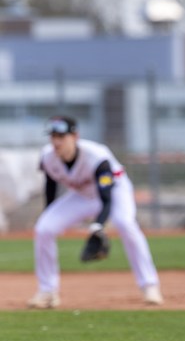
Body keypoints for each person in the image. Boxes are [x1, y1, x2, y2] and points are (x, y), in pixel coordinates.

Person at [27, 115, 163, 308]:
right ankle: (47, 292)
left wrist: (98, 226)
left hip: (115, 192)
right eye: (53, 136)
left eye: (61, 136)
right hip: (81, 196)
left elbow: (106, 199)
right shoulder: (48, 157)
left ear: (75, 136)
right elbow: (51, 190)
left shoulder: (97, 156)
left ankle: (150, 286)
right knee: (44, 228)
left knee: (125, 224)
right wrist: (50, 216)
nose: (56, 141)